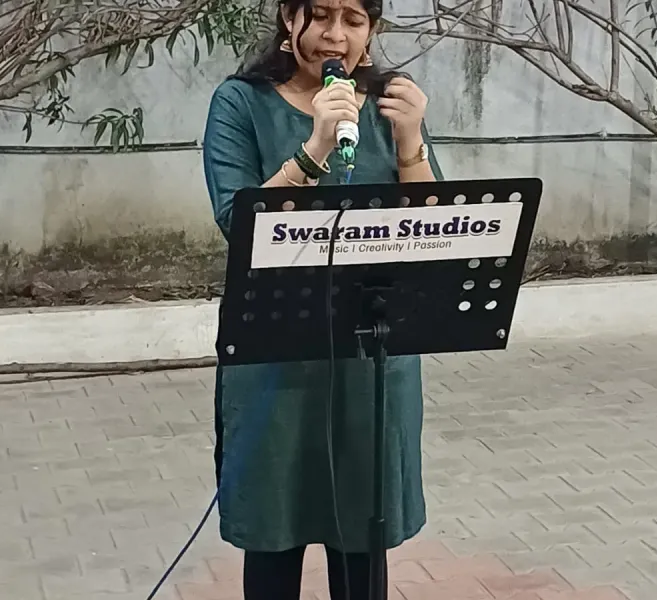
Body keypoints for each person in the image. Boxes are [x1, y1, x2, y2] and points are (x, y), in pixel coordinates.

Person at [201, 0, 444, 596]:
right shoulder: (239, 102)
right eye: (322, 16)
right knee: (273, 537)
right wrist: (312, 149)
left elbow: (435, 229)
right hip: (276, 360)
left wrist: (410, 140)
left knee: (363, 541)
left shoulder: (393, 105)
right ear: (290, 19)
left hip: (374, 361)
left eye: (354, 20)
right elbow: (239, 220)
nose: (336, 37)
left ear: (373, 30)